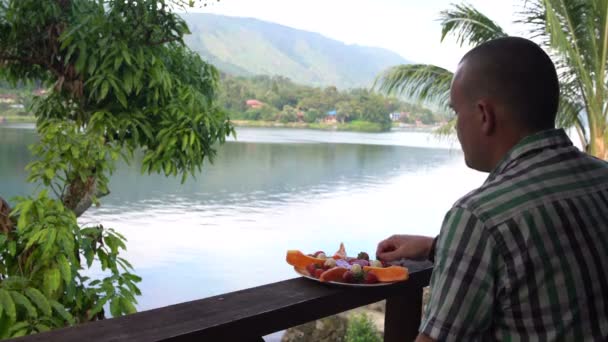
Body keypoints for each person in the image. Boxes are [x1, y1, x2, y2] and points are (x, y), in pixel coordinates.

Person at [376, 36, 608, 341]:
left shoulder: (479, 217)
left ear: (484, 116)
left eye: (457, 112)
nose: (457, 126)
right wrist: (438, 246)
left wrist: (466, 238)